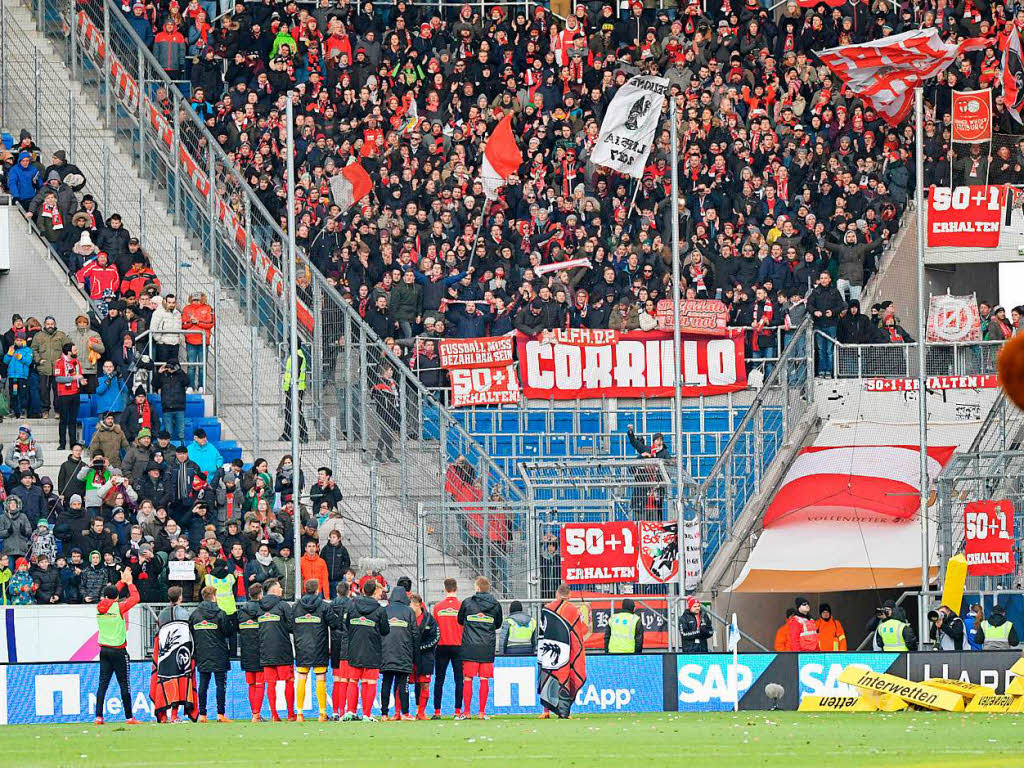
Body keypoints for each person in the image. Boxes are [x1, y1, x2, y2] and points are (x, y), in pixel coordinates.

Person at [95, 567, 140, 724]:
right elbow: (135, 598)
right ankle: (129, 717)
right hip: (119, 651)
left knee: (103, 684)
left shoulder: (99, 607)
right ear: (116, 597)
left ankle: (99, 717)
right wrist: (130, 583)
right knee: (124, 684)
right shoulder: (118, 607)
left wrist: (121, 582)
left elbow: (111, 593)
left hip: (104, 650)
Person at [538, 583, 588, 720]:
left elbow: (542, 631)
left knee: (547, 675)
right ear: (569, 595)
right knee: (565, 677)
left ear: (556, 593)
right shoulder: (575, 611)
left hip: (549, 649)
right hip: (566, 650)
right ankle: (564, 712)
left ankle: (546, 711)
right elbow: (581, 632)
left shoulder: (546, 609)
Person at [342, 579, 390, 721]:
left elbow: (346, 625)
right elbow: (385, 630)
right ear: (375, 591)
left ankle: (350, 711)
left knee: (353, 680)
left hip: (355, 648)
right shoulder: (380, 610)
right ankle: (367, 714)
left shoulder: (352, 605)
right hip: (372, 649)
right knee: (370, 682)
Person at [457, 576, 503, 719]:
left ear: (477, 588)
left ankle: (467, 712)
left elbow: (460, 620)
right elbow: (498, 624)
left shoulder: (467, 603)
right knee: (484, 679)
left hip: (470, 646)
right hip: (487, 646)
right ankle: (482, 712)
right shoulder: (495, 604)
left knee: (468, 679)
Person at [189, 584, 233, 722]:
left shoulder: (194, 615)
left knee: (203, 684)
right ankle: (220, 714)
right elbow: (228, 632)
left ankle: (203, 714)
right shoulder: (221, 613)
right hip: (219, 653)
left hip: (202, 653)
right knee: (220, 685)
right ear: (214, 597)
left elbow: (190, 633)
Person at [292, 578, 333, 722]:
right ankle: (322, 713)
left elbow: (290, 626)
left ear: (304, 589)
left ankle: (299, 714)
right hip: (319, 647)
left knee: (302, 678)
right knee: (320, 679)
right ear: (317, 590)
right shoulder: (323, 606)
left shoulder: (296, 607)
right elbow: (333, 623)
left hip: (301, 647)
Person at [257, 578, 296, 721]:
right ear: (273, 590)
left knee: (271, 684)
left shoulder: (258, 607)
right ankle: (291, 714)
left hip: (265, 650)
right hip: (282, 649)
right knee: (289, 681)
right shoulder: (283, 605)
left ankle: (274, 715)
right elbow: (292, 626)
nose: (281, 590)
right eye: (279, 587)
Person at [381, 585, 419, 720]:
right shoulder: (409, 612)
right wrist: (415, 656)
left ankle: (384, 714)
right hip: (404, 653)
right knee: (404, 685)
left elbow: (378, 631)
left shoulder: (384, 610)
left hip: (386, 653)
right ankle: (406, 713)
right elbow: (415, 634)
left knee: (386, 683)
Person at [432, 576, 464, 719]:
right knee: (459, 680)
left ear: (445, 589)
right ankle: (457, 711)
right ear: (456, 588)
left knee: (439, 679)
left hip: (442, 646)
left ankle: (437, 711)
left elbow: (435, 628)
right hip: (458, 646)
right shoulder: (462, 606)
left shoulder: (437, 607)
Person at [237, 582, 266, 722]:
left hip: (246, 651)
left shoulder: (242, 612)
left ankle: (253, 713)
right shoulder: (263, 610)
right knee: (260, 684)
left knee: (251, 684)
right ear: (260, 595)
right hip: (261, 651)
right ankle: (256, 714)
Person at [410, 592, 438, 720]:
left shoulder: (429, 619)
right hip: (409, 657)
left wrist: (420, 648)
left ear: (418, 605)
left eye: (411, 605)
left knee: (424, 684)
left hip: (425, 657)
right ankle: (401, 712)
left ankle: (421, 712)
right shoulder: (406, 618)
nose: (409, 608)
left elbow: (435, 638)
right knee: (403, 683)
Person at [328, 581, 353, 720]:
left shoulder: (331, 605)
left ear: (337, 592)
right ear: (348, 591)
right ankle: (345, 710)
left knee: (337, 680)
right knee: (347, 680)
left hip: (335, 643)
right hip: (348, 644)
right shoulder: (351, 604)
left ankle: (336, 711)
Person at [281, 346, 308, 443]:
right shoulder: (296, 355)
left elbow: (295, 374)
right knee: (290, 410)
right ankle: (288, 433)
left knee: (295, 410)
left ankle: (302, 433)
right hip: (293, 388)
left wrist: (289, 387)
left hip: (295, 388)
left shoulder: (297, 356)